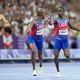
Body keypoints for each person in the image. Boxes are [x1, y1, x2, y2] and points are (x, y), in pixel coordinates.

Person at [52, 7, 80, 77]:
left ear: (63, 12)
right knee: (55, 56)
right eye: (58, 11)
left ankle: (65, 51)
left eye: (60, 11)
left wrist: (79, 29)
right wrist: (50, 19)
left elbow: (72, 27)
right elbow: (50, 23)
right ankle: (58, 71)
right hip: (58, 40)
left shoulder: (66, 19)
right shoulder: (56, 20)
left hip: (65, 40)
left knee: (67, 56)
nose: (59, 12)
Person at [26, 8, 48, 76]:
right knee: (33, 51)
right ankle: (34, 70)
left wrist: (47, 23)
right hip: (32, 37)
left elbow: (48, 23)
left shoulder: (45, 19)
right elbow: (28, 26)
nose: (45, 13)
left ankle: (41, 66)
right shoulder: (34, 20)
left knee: (40, 54)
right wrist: (27, 30)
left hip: (40, 38)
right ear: (41, 14)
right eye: (44, 12)